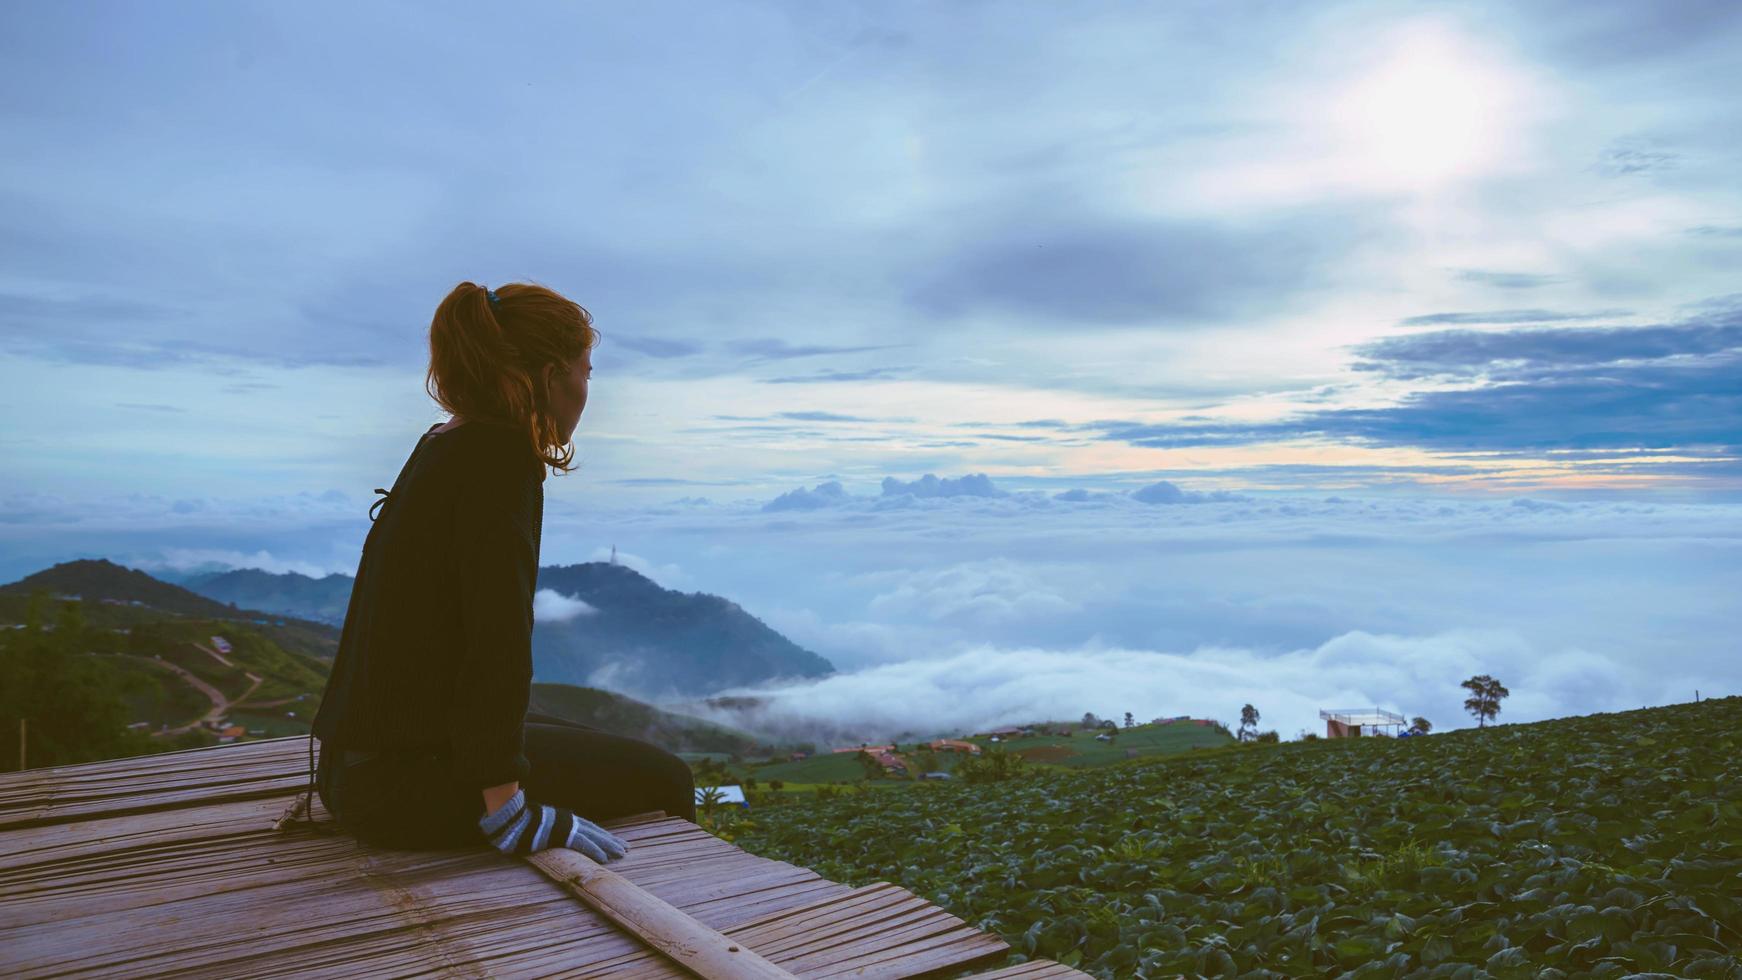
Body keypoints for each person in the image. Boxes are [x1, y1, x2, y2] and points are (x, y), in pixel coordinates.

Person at [297, 280, 697, 856]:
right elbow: (498, 638)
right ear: (551, 376)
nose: (587, 390)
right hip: (398, 786)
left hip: (356, 766)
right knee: (667, 779)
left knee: (591, 740)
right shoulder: (499, 460)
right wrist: (507, 809)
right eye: (587, 371)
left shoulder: (445, 443)